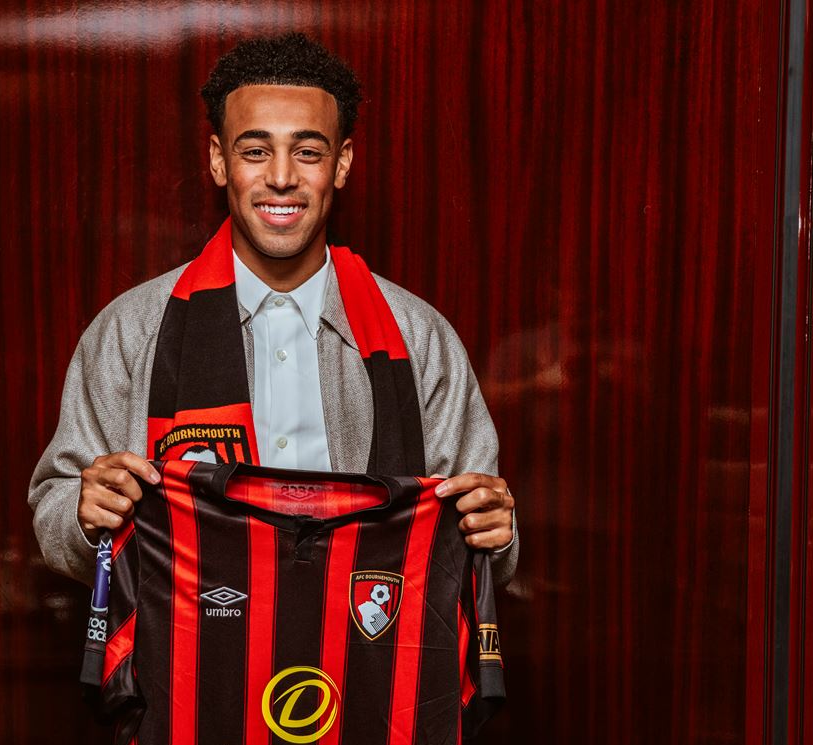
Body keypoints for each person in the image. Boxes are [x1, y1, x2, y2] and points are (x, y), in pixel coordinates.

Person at [29, 32, 518, 588]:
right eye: (255, 151)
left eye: (307, 152)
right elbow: (57, 513)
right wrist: (83, 512)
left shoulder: (418, 335)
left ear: (342, 163)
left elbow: (483, 531)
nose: (282, 177)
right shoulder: (131, 330)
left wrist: (496, 532)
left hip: (369, 640)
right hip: (188, 641)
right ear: (219, 161)